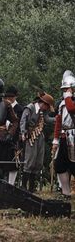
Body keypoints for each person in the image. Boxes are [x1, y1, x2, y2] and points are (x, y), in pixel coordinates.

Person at [19, 92, 56, 192]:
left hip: (39, 136)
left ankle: (31, 187)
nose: (47, 109)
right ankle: (23, 186)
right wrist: (23, 133)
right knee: (30, 160)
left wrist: (57, 119)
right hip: (30, 136)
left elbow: (47, 119)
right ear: (44, 103)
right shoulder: (30, 108)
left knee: (38, 161)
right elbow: (23, 121)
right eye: (47, 107)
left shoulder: (42, 112)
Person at [53, 70, 75, 198]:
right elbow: (58, 122)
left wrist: (68, 97)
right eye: (64, 89)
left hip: (74, 136)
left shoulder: (69, 101)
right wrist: (55, 139)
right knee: (60, 165)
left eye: (67, 88)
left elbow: (72, 108)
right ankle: (66, 193)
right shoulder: (63, 103)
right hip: (64, 136)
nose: (65, 91)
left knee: (73, 166)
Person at [4, 86, 25, 185]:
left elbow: (20, 123)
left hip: (14, 138)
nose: (8, 98)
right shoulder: (3, 106)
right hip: (3, 136)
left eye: (11, 96)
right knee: (3, 160)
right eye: (7, 96)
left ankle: (11, 183)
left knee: (14, 162)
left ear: (15, 97)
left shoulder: (19, 109)